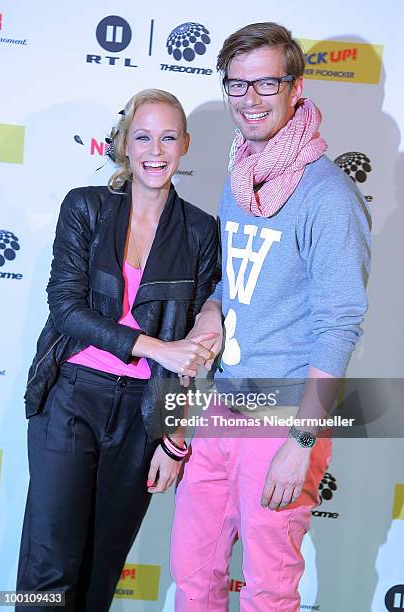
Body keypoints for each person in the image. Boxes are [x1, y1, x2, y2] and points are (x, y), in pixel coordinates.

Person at [171, 23, 371, 611]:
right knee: (193, 572)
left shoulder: (327, 195)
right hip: (220, 406)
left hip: (283, 418)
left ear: (295, 86)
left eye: (265, 84)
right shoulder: (241, 175)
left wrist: (301, 440)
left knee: (268, 588)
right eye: (237, 86)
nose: (250, 100)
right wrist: (211, 310)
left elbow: (338, 328)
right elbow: (236, 282)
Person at [17, 88, 218, 612]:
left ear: (185, 145)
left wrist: (174, 439)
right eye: (144, 136)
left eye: (168, 137)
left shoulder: (200, 231)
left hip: (141, 414)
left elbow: (192, 357)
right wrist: (156, 347)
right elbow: (66, 310)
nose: (156, 150)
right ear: (125, 144)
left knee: (103, 568)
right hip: (71, 401)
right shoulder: (85, 207)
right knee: (48, 565)